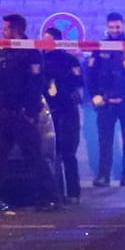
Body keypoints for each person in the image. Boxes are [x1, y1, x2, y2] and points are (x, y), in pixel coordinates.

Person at [0, 13, 56, 212]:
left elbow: (35, 84)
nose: (3, 32)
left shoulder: (30, 52)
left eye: (6, 29)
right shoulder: (4, 52)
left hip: (22, 115)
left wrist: (31, 112)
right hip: (4, 115)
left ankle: (49, 198)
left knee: (33, 157)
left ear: (16, 31)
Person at [87, 11, 125, 187]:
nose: (114, 30)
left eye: (118, 26)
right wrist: (94, 96)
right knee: (105, 140)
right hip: (105, 99)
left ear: (123, 26)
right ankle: (103, 175)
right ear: (107, 27)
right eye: (111, 27)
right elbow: (91, 74)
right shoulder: (100, 46)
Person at [42, 25, 84, 204]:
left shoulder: (66, 60)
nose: (44, 43)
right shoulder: (43, 60)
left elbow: (79, 81)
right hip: (55, 110)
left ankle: (67, 193)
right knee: (59, 154)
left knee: (64, 153)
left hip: (65, 110)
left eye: (47, 39)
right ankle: (64, 193)